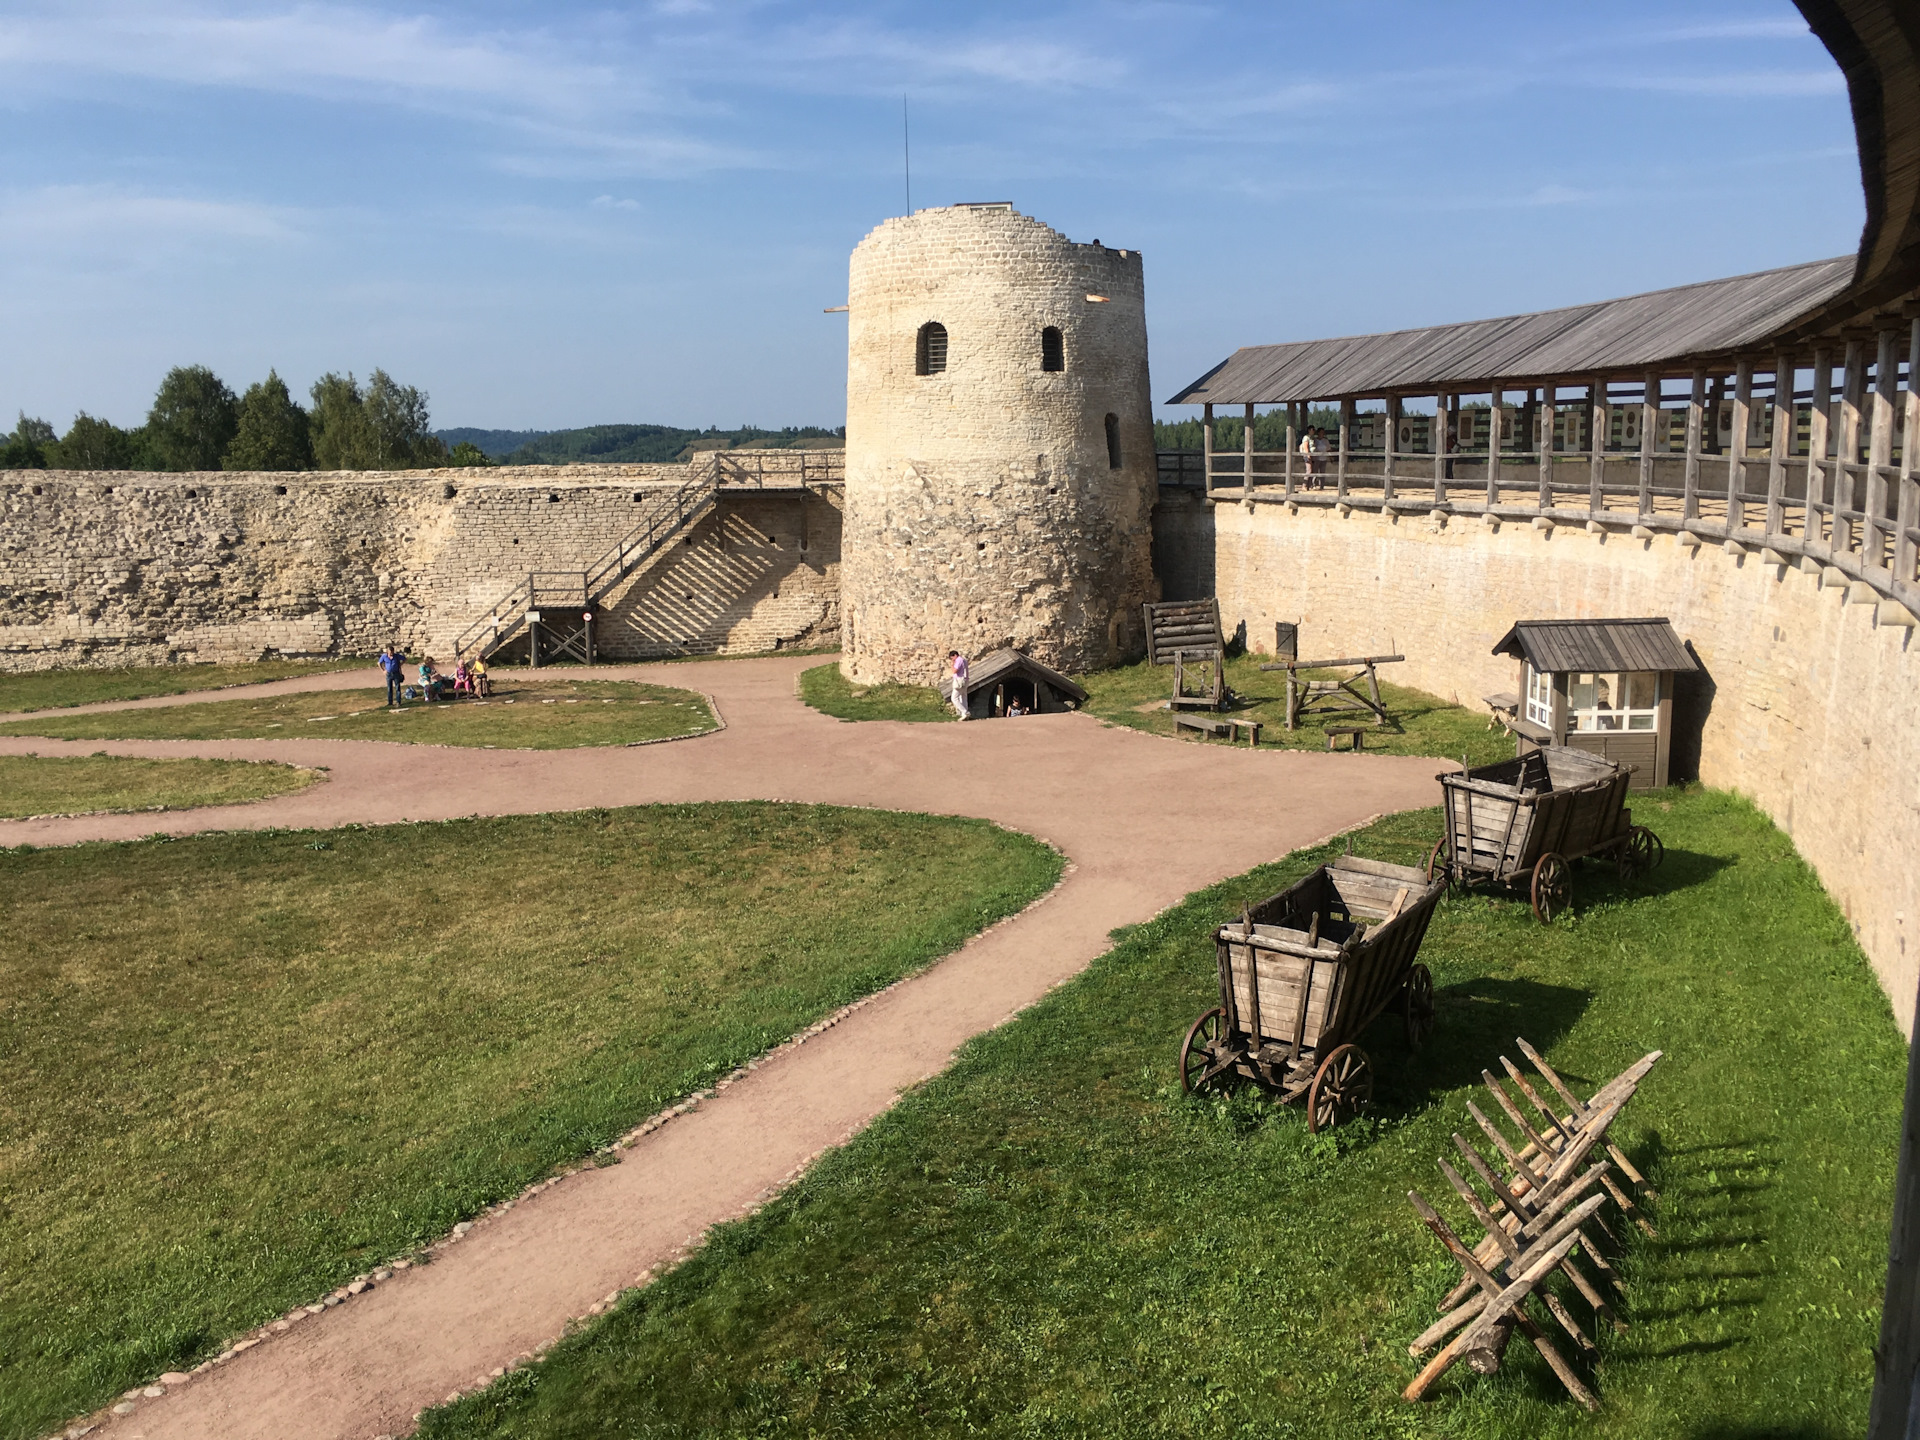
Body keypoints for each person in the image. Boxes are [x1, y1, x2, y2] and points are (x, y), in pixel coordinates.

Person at [947, 649, 970, 720]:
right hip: (965, 680)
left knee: (954, 698)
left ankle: (965, 712)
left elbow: (955, 671)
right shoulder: (964, 660)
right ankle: (964, 715)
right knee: (963, 697)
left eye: (952, 658)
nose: (952, 660)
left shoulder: (959, 660)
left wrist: (952, 665)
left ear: (955, 655)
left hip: (959, 681)